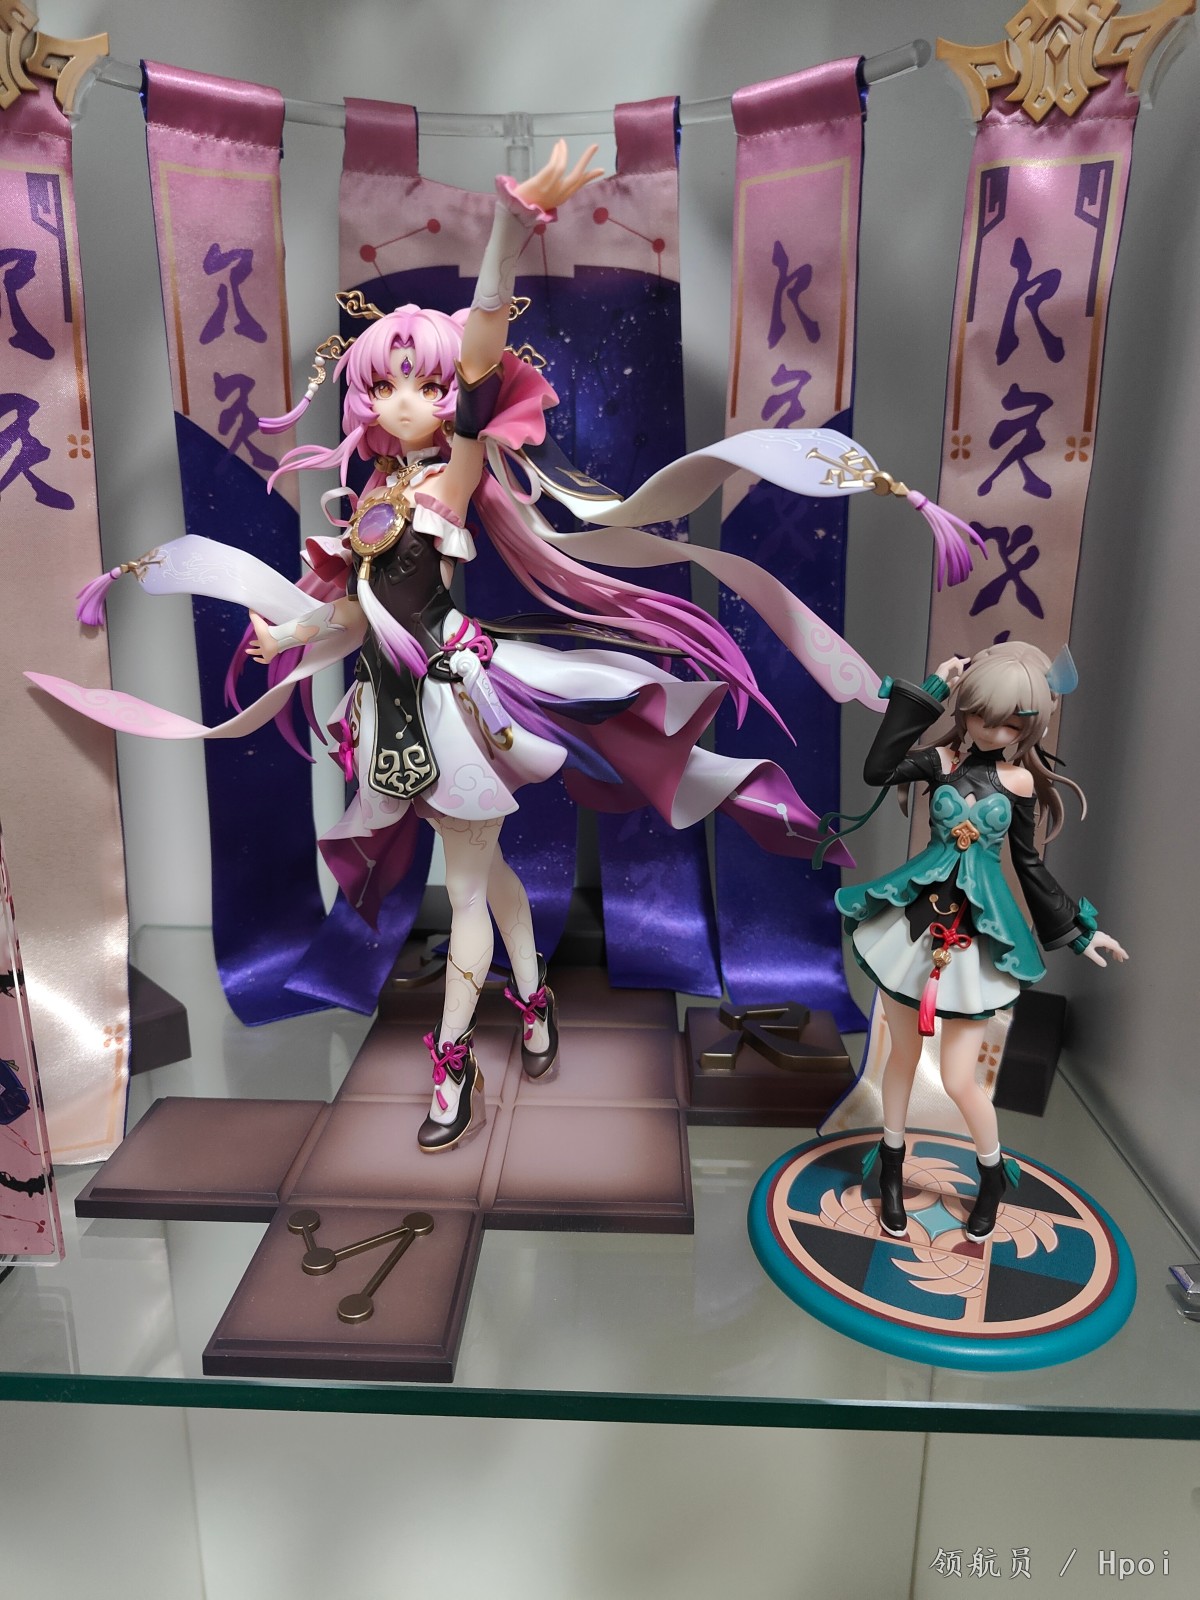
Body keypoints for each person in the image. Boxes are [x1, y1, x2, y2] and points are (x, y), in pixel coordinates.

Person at [32, 143, 979, 1155]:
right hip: (389, 716)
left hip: (456, 711)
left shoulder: (450, 480)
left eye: (422, 383)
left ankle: (453, 1069)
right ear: (362, 399)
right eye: (387, 384)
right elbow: (355, 614)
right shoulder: (371, 501)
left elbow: (483, 359)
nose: (404, 400)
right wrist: (289, 632)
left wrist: (506, 233)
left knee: (470, 892)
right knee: (480, 879)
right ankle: (533, 1003)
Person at [831, 643, 1127, 1240]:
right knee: (900, 1058)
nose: (991, 730)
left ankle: (991, 1177)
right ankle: (891, 1169)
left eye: (1010, 723)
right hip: (915, 926)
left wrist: (1079, 933)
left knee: (960, 1078)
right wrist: (932, 691)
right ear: (965, 709)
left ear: (1030, 725)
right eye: (979, 715)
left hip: (976, 938)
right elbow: (878, 768)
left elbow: (1030, 867)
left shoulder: (1020, 783)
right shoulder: (940, 761)